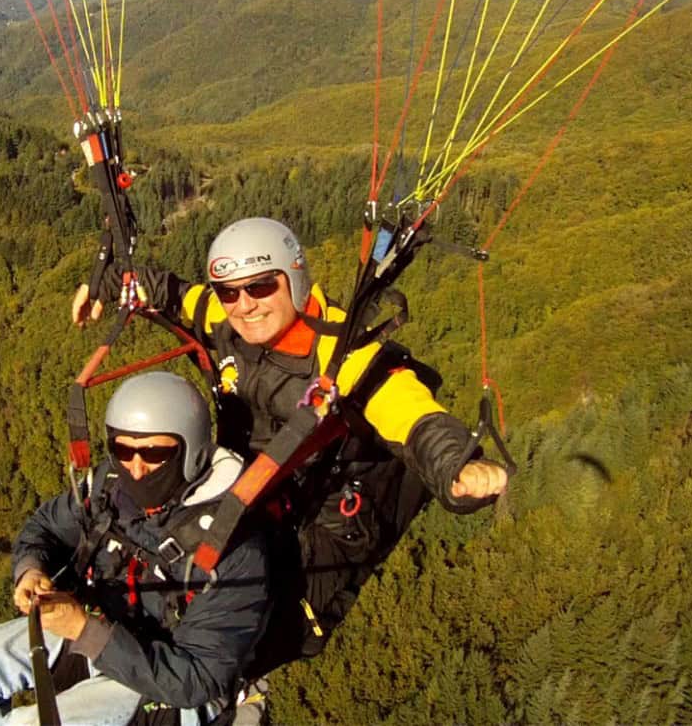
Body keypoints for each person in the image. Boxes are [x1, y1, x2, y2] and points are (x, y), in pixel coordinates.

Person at [71, 217, 508, 673]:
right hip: (252, 492)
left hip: (322, 519)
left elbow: (409, 413)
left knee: (248, 640)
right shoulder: (224, 318)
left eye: (261, 287)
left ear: (294, 279)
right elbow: (172, 292)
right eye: (230, 291)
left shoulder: (344, 353)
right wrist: (107, 284)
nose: (244, 305)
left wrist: (456, 465)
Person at [0, 371, 270, 725]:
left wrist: (86, 631)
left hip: (167, 678)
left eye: (154, 452)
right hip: (100, 630)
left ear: (190, 450)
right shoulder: (111, 488)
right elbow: (46, 526)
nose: (136, 467)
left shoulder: (233, 544)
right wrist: (31, 570)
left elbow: (198, 680)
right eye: (123, 449)